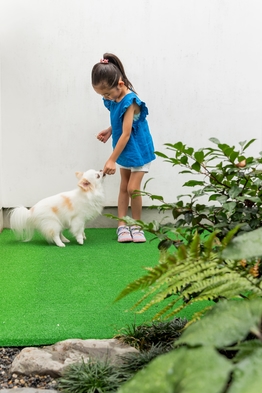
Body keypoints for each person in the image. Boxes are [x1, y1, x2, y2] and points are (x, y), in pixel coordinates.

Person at [91, 53, 156, 243]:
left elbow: (127, 133)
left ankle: (136, 225)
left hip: (138, 150)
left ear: (119, 84)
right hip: (125, 149)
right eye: (103, 95)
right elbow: (122, 124)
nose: (106, 98)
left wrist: (111, 159)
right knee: (123, 186)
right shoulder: (115, 98)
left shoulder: (131, 101)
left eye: (107, 94)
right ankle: (122, 225)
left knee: (133, 188)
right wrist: (111, 130)